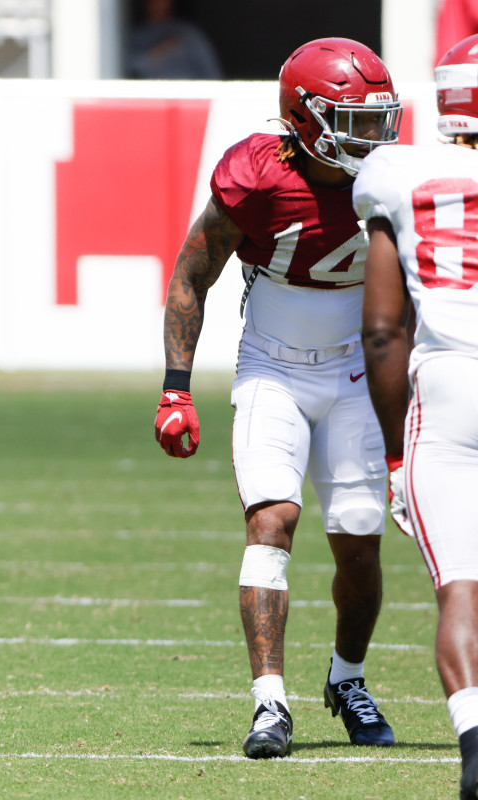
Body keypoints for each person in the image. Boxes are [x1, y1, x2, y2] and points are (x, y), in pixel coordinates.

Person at [153, 37, 402, 759]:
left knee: (358, 534)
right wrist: (176, 388)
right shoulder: (256, 172)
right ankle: (270, 703)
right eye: (352, 120)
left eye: (378, 119)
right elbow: (191, 274)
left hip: (357, 369)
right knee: (272, 520)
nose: (373, 137)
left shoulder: (392, 176)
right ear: (304, 117)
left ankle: (348, 679)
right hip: (273, 366)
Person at [356, 33, 478, 798]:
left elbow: (380, 330)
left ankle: (475, 745)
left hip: (450, 381)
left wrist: (396, 456)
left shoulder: (399, 173)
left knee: (462, 588)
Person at [125, 0, 222, 80]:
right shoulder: (136, 36)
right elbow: (124, 67)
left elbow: (212, 73)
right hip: (151, 98)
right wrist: (158, 52)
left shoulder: (188, 34)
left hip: (188, 97)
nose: (157, 3)